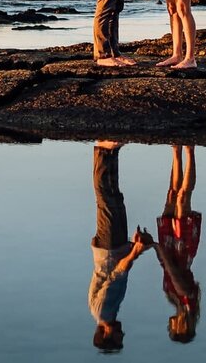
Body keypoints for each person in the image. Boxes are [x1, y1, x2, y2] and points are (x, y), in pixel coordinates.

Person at [88, 140, 153, 352]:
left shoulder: (104, 312)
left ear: (106, 334)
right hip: (114, 248)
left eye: (119, 337)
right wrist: (132, 247)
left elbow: (116, 275)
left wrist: (134, 252)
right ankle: (112, 152)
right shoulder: (110, 312)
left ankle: (102, 149)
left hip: (109, 247)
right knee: (115, 197)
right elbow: (118, 274)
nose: (122, 333)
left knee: (106, 199)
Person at [147, 144, 203, 343]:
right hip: (181, 248)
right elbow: (172, 270)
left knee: (172, 194)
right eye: (174, 328)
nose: (170, 325)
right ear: (182, 325)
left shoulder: (175, 300)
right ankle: (189, 151)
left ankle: (176, 151)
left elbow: (167, 269)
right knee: (182, 199)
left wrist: (158, 248)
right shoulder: (187, 300)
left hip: (170, 247)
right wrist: (156, 248)